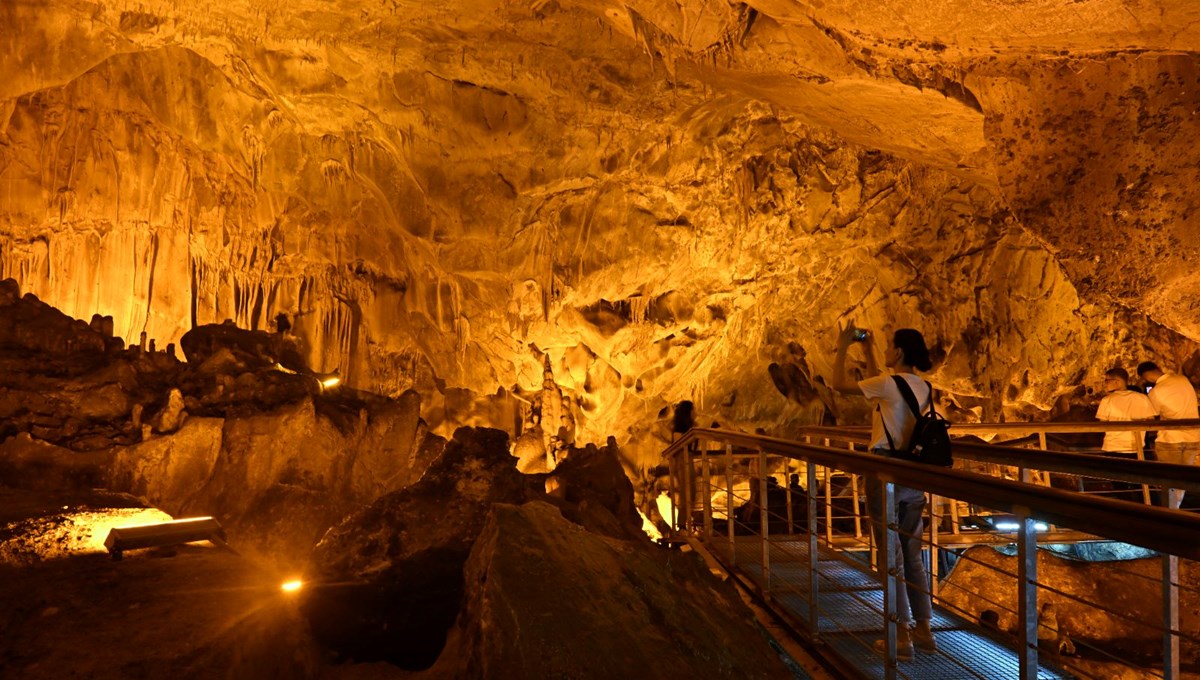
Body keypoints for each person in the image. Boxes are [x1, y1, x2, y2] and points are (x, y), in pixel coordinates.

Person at [833, 322, 936, 659]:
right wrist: (868, 348)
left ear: (900, 352)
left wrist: (842, 345)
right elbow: (883, 388)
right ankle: (924, 630)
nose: (887, 350)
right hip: (914, 474)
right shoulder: (923, 387)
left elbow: (839, 385)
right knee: (912, 556)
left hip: (885, 473)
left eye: (890, 346)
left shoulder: (888, 385)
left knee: (889, 557)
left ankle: (901, 637)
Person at [1136, 361, 1200, 508]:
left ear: (1145, 377)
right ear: (1158, 368)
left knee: (1169, 479)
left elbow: (1151, 415)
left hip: (1170, 439)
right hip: (1194, 437)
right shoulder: (1182, 379)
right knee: (1184, 479)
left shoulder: (1156, 392)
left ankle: (1169, 514)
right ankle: (1174, 511)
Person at [1096, 367, 1156, 456]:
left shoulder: (1107, 400)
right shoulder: (1142, 398)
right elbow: (1151, 421)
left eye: (1107, 381)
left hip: (1112, 446)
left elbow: (1102, 424)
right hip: (1136, 447)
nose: (1105, 384)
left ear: (1117, 381)